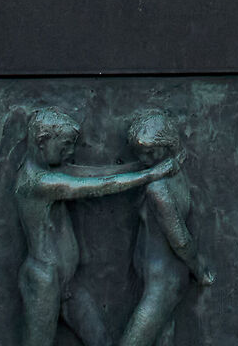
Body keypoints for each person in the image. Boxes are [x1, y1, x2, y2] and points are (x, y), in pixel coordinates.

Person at [12, 106, 180, 346]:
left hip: (68, 282)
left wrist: (141, 167)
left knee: (101, 340)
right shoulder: (37, 182)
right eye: (65, 145)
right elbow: (99, 186)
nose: (70, 152)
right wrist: (150, 176)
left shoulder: (51, 169)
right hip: (44, 281)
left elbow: (93, 174)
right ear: (42, 141)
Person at [115, 110, 215, 346]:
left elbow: (180, 239)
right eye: (141, 153)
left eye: (150, 153)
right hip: (158, 277)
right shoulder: (172, 172)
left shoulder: (158, 190)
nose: (145, 159)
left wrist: (199, 269)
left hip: (164, 282)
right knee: (163, 338)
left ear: (167, 145)